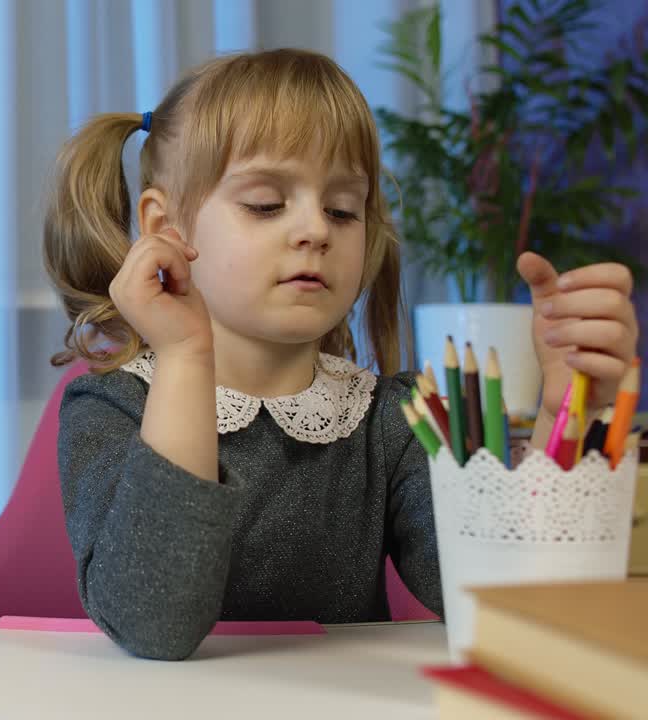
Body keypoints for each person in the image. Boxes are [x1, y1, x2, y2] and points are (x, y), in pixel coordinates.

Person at [41, 48, 639, 660]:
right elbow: (153, 625)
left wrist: (567, 410)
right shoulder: (109, 406)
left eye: (342, 209)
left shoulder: (397, 420)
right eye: (267, 204)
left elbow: (503, 604)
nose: (316, 229)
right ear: (165, 228)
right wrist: (187, 355)